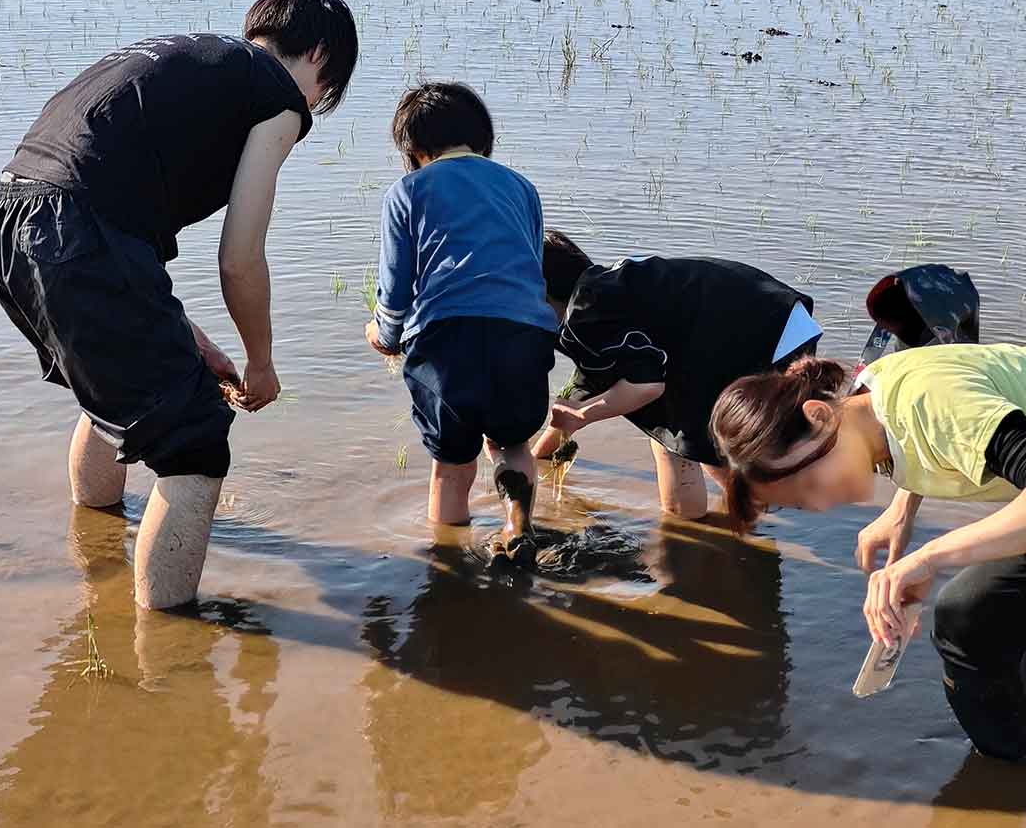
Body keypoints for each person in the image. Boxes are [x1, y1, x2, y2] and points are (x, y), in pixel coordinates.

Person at [0, 0, 358, 610]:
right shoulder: (276, 94)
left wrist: (197, 344)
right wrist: (260, 364)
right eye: (326, 93)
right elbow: (240, 259)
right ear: (318, 56)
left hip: (9, 223)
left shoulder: (191, 59)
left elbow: (110, 225)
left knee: (122, 393)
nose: (313, 108)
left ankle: (95, 555)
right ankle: (169, 653)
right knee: (198, 440)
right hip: (80, 233)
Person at [710, 343, 1026, 762]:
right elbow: (927, 435)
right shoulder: (870, 402)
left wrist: (929, 556)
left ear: (819, 416)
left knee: (967, 615)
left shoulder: (931, 399)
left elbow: (942, 416)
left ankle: (1006, 771)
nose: (822, 506)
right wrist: (902, 507)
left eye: (809, 485)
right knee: (973, 618)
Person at [364, 82, 556, 565]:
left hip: (447, 338)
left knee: (451, 465)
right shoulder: (521, 187)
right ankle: (518, 524)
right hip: (524, 333)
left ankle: (447, 567)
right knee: (513, 443)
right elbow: (533, 267)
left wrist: (384, 336)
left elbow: (395, 285)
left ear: (414, 148)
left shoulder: (408, 191)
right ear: (480, 136)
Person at [531, 232, 821, 519]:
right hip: (782, 321)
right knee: (709, 436)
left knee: (673, 439)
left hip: (762, 338)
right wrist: (536, 459)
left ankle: (688, 531)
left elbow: (646, 387)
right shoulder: (604, 292)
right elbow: (583, 389)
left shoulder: (584, 315)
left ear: (541, 292)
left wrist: (584, 415)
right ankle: (749, 515)